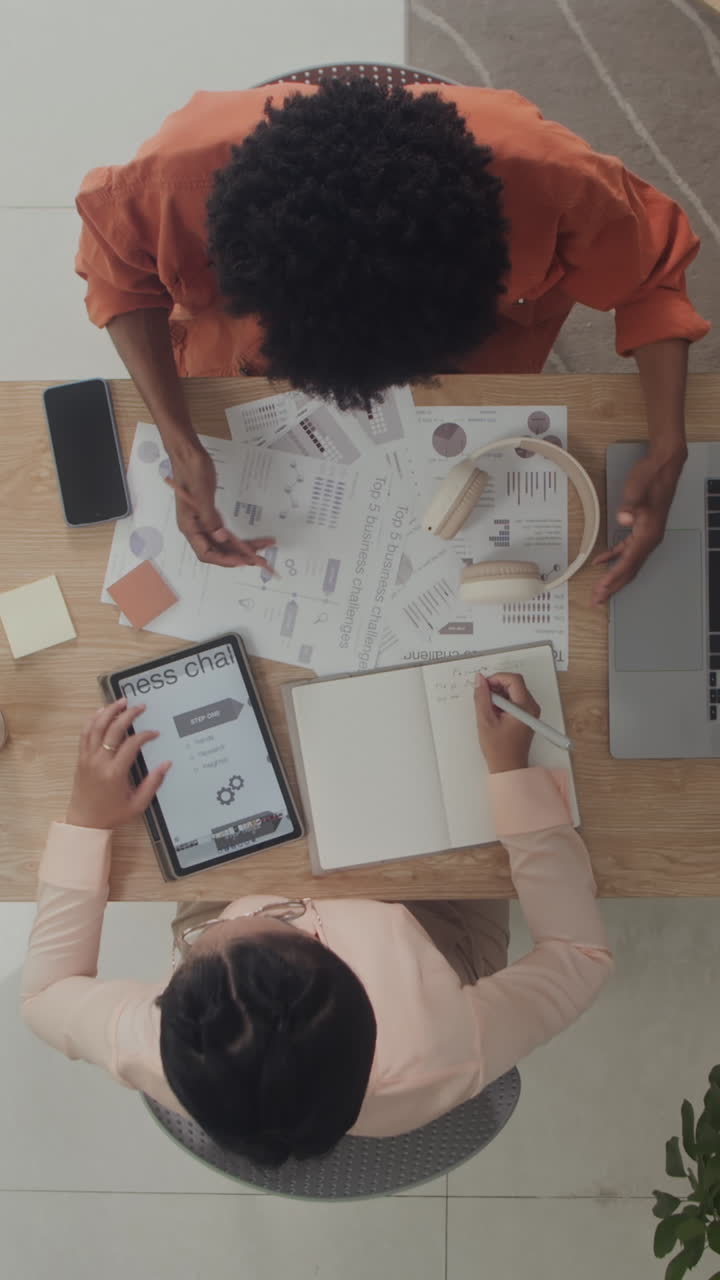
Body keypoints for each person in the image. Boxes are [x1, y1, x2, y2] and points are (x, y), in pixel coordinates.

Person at [75, 80, 708, 603]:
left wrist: (670, 439)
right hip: (240, 362)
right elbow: (122, 284)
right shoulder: (168, 180)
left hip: (470, 371)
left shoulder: (550, 172)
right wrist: (181, 443)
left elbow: (651, 278)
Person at [21, 673, 613, 1166]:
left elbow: (45, 994)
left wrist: (86, 821)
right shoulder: (445, 1044)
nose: (275, 907)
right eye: (283, 923)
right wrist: (513, 776)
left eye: (203, 948)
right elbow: (579, 958)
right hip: (437, 931)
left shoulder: (162, 1043)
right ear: (357, 985)